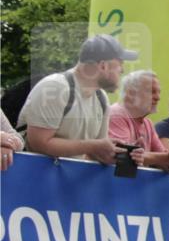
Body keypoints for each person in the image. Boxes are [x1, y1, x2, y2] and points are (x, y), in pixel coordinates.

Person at [17, 34, 141, 165]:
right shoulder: (55, 87)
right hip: (30, 179)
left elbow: (96, 153)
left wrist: (123, 155)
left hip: (64, 181)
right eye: (120, 63)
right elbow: (38, 144)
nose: (123, 69)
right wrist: (93, 146)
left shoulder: (101, 98)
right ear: (103, 66)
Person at [107, 70, 169, 171]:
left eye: (158, 92)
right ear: (131, 93)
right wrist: (168, 158)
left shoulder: (147, 124)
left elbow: (167, 163)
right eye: (152, 92)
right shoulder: (117, 114)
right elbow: (125, 158)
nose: (158, 97)